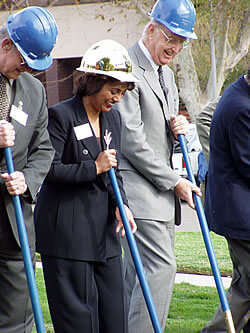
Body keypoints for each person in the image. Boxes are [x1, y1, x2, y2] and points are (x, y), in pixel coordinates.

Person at [34, 39, 138, 333]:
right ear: (93, 82)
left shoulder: (113, 118)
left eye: (121, 93)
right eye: (113, 91)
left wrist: (122, 206)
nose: (117, 98)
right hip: (67, 234)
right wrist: (93, 168)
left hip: (103, 236)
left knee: (115, 319)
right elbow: (47, 170)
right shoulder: (61, 116)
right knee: (80, 321)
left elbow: (114, 170)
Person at [112, 0, 201, 331]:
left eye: (181, 42)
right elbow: (131, 140)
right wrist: (175, 181)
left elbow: (158, 135)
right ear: (151, 30)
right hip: (139, 193)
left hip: (159, 197)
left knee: (135, 277)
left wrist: (176, 130)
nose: (176, 48)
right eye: (171, 38)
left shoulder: (166, 74)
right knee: (161, 270)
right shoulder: (127, 69)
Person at [0, 6, 58, 333]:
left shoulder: (34, 92)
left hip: (13, 223)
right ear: (6, 44)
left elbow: (43, 149)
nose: (26, 70)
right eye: (24, 61)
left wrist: (27, 179)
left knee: (18, 320)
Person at [199, 71, 250, 333]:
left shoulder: (240, 93)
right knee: (245, 290)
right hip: (241, 213)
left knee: (245, 284)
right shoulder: (241, 107)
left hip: (239, 209)